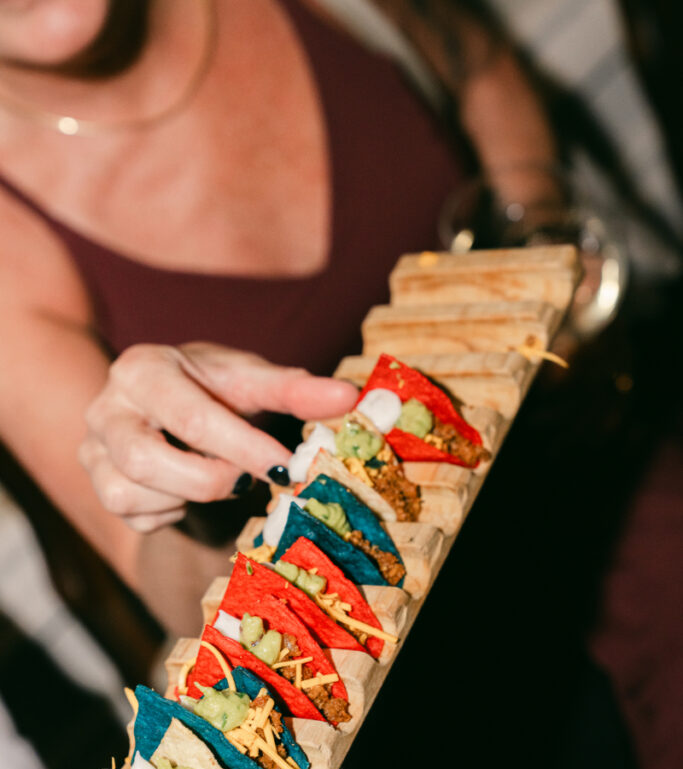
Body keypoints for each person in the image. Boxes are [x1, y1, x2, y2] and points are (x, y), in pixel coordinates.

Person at [0, 0, 557, 635]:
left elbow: (479, 68)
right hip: (431, 646)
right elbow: (189, 603)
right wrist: (159, 484)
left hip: (610, 468)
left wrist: (541, 250)